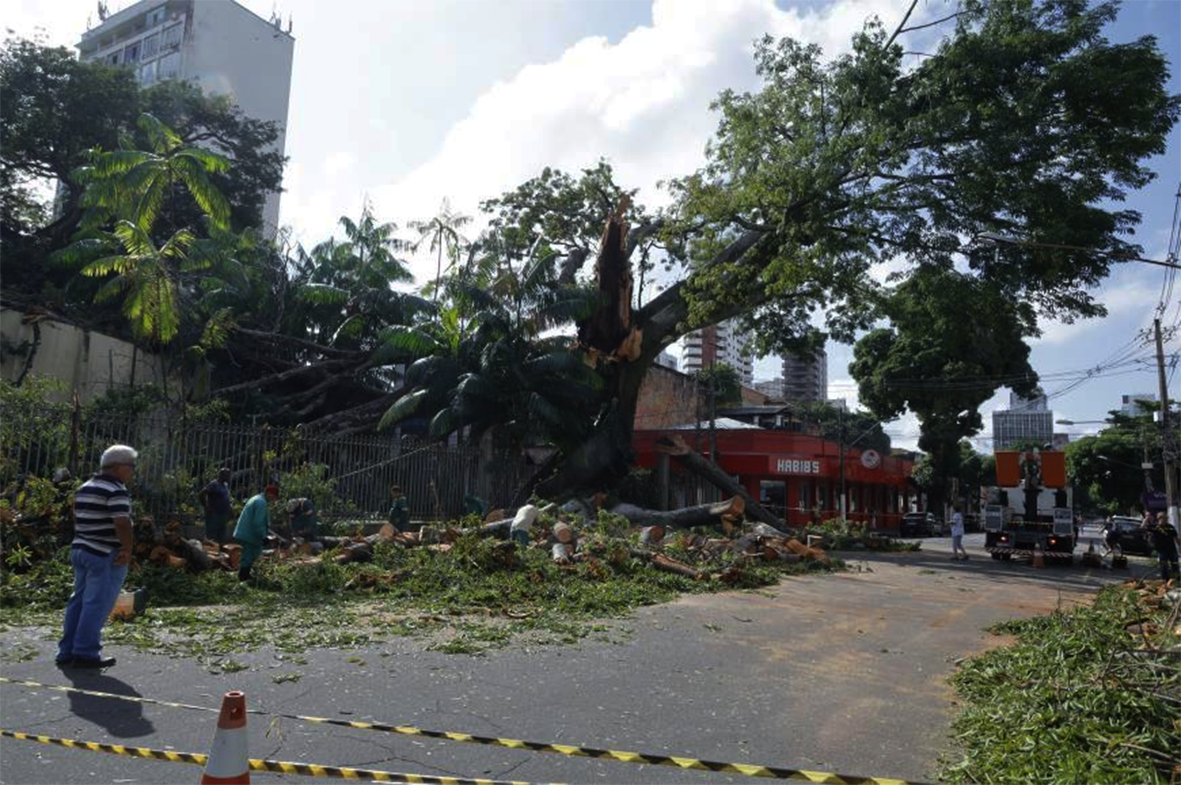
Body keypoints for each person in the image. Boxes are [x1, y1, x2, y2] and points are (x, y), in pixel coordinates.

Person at [56, 445, 136, 669]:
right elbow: (121, 522)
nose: (133, 472)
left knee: (78, 601)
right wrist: (127, 549)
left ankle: (67, 651)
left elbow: (77, 516)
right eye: (131, 466)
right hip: (104, 553)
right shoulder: (115, 489)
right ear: (118, 467)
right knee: (97, 603)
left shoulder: (85, 487)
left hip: (81, 549)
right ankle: (85, 653)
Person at [234, 484, 279, 582]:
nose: (274, 500)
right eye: (274, 497)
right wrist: (264, 537)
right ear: (269, 493)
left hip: (246, 532)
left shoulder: (257, 499)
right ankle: (243, 577)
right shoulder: (261, 503)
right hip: (249, 534)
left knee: (250, 554)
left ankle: (245, 575)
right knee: (249, 555)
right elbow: (258, 523)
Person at [198, 468, 233, 549]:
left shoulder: (225, 485)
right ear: (222, 475)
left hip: (223, 515)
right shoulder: (214, 484)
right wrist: (206, 506)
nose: (229, 477)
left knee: (221, 536)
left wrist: (229, 508)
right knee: (211, 537)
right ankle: (209, 555)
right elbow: (201, 494)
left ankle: (220, 555)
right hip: (214, 515)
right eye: (228, 475)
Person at [1143, 511, 1179, 583]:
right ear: (1159, 518)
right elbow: (1143, 527)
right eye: (1164, 518)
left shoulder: (1170, 527)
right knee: (1164, 566)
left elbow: (1176, 538)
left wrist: (1180, 546)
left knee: (1175, 565)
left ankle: (1177, 580)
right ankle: (1165, 581)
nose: (1166, 520)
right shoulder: (1155, 527)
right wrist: (1146, 519)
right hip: (1162, 550)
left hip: (1172, 550)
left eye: (1166, 518)